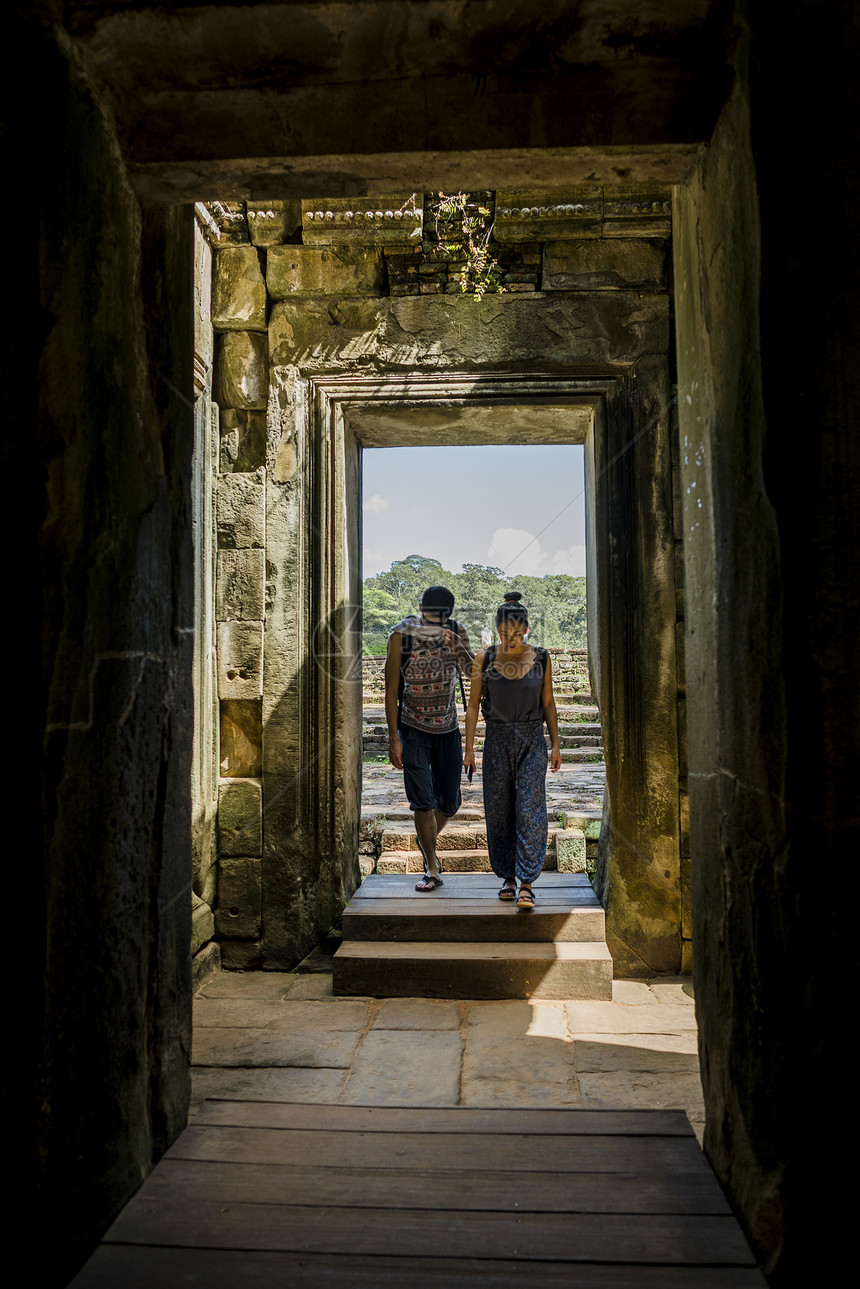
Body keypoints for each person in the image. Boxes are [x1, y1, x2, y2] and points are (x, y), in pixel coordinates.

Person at [464, 592, 562, 908]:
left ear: (527, 630)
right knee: (500, 809)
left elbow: (548, 702)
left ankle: (528, 883)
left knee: (530, 809)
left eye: (516, 634)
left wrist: (556, 743)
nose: (510, 640)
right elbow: (473, 707)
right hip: (497, 739)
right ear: (497, 631)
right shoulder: (485, 659)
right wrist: (469, 750)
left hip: (533, 740)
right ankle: (508, 875)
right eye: (504, 634)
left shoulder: (542, 658)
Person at [385, 586, 474, 892]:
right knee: (422, 802)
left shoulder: (456, 631)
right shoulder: (401, 636)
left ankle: (427, 845)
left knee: (449, 803)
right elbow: (391, 690)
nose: (435, 624)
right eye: (431, 617)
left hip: (448, 728)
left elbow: (475, 674)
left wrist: (459, 647)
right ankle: (432, 867)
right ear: (419, 608)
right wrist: (393, 738)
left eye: (441, 618)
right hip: (413, 728)